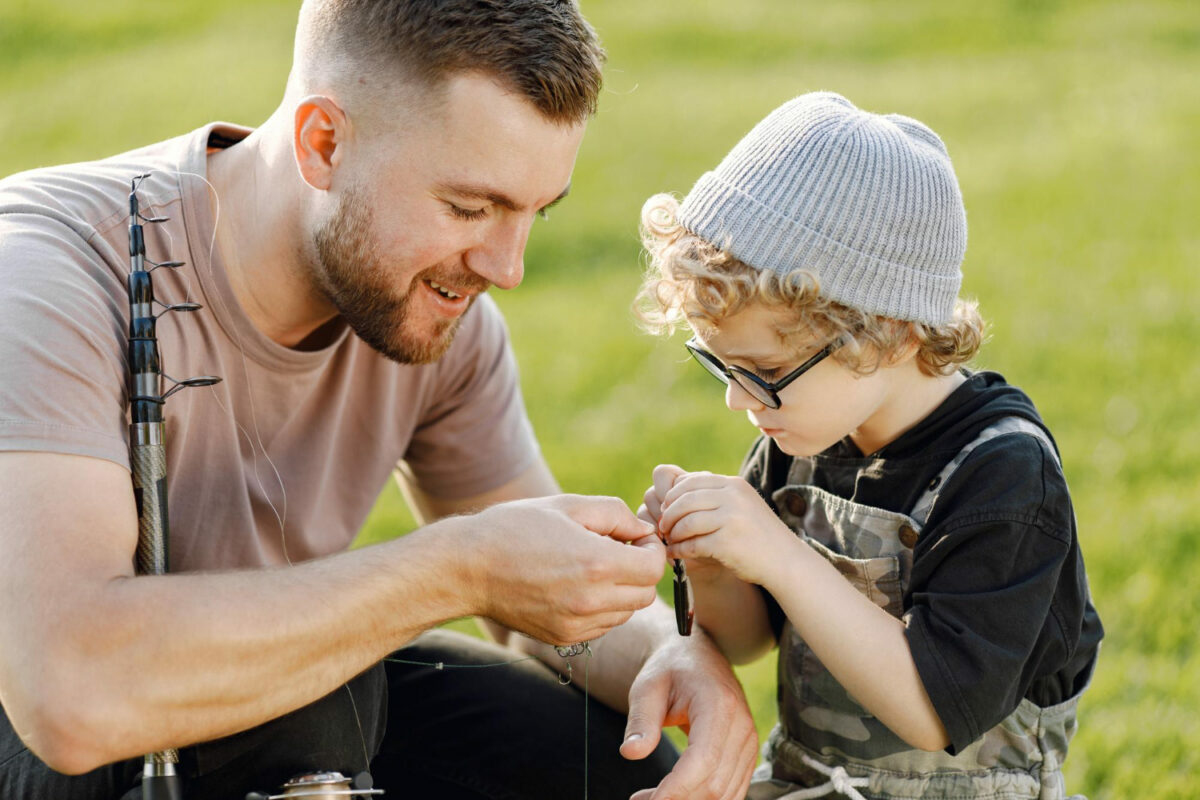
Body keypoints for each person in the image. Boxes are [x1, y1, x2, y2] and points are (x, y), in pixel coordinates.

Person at [0, 2, 759, 798]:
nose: (507, 267)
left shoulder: (435, 312)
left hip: (245, 727)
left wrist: (670, 658)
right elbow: (70, 694)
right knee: (315, 714)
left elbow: (534, 599)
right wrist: (456, 567)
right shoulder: (49, 277)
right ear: (322, 144)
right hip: (47, 727)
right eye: (470, 208)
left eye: (534, 213)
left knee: (590, 758)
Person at [636, 91, 1103, 799]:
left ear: (889, 331)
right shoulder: (800, 433)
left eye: (764, 373)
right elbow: (749, 640)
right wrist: (712, 561)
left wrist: (778, 552)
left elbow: (935, 709)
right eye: (722, 367)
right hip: (807, 782)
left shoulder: (1004, 476)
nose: (738, 400)